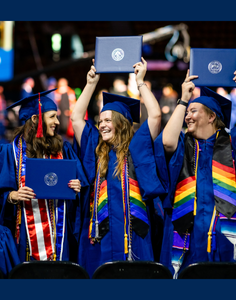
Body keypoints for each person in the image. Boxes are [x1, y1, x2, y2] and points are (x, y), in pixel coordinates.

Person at [72, 59, 166, 275]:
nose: (102, 125)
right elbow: (76, 118)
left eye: (108, 120)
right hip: (100, 233)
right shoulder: (95, 148)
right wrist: (91, 84)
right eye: (100, 121)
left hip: (134, 232)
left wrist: (140, 81)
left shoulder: (138, 147)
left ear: (122, 123)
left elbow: (155, 116)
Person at [157, 70, 236, 277]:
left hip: (223, 232)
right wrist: (184, 99)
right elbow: (166, 141)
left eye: (194, 111)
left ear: (212, 116)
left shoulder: (232, 146)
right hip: (186, 232)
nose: (188, 116)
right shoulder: (183, 145)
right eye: (187, 112)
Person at [0, 90, 86, 263]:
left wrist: (77, 186)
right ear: (36, 119)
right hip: (24, 234)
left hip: (59, 235)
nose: (57, 122)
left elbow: (81, 187)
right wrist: (12, 196)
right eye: (52, 116)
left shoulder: (63, 150)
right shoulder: (9, 153)